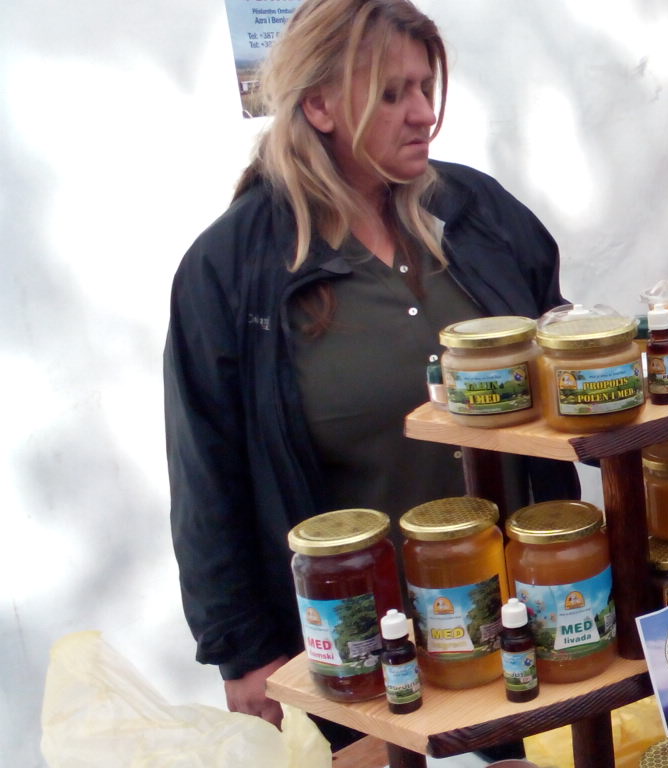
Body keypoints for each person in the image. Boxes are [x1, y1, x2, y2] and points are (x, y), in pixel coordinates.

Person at [164, 0, 579, 732]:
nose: (423, 113)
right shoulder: (234, 267)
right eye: (391, 94)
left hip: (527, 617)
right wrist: (244, 654)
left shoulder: (474, 210)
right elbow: (207, 472)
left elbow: (560, 339)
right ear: (319, 105)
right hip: (359, 649)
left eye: (424, 87)